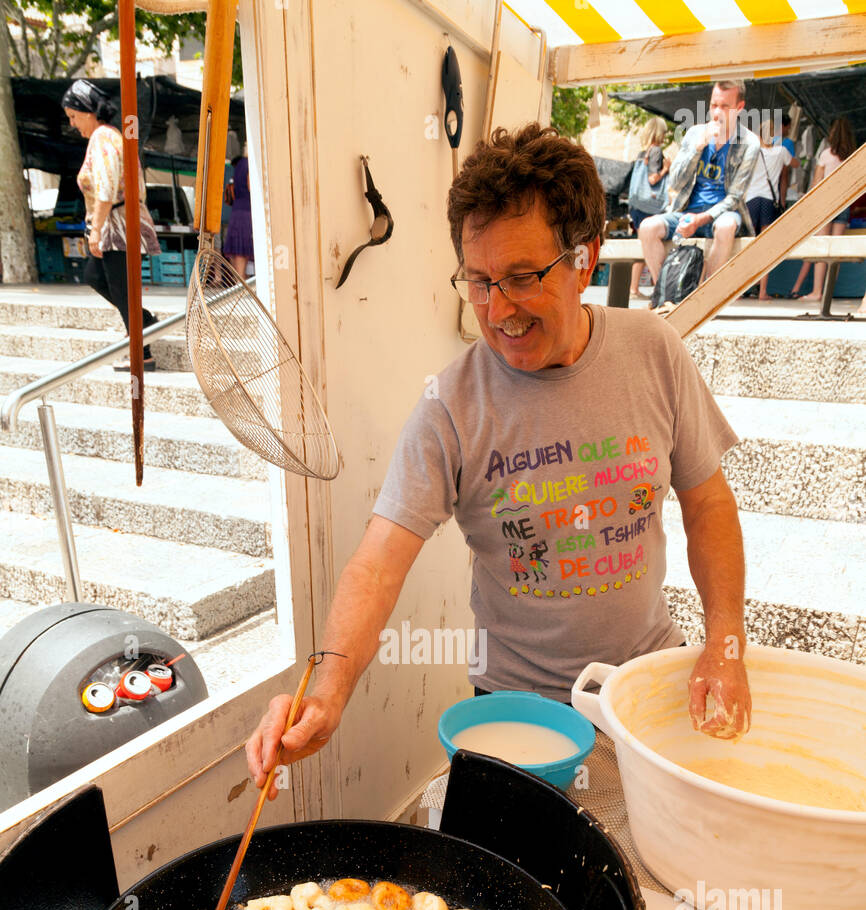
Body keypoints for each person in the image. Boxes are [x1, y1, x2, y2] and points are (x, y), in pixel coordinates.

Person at [247, 125, 751, 794]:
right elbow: (376, 563)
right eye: (478, 281)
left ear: (586, 258)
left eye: (521, 278)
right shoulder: (450, 407)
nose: (498, 310)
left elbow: (708, 503)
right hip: (517, 717)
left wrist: (724, 641)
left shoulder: (653, 351)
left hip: (646, 690)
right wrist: (328, 687)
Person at [62, 78, 161, 372]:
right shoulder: (109, 136)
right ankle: (145, 324)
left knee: (121, 288)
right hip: (120, 221)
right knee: (100, 277)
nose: (72, 124)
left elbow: (105, 188)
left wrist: (96, 229)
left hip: (118, 224)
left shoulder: (103, 138)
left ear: (87, 111)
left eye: (73, 117)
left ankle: (142, 353)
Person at [637, 79, 760, 286]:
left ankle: (706, 297)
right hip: (686, 212)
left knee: (726, 225)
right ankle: (663, 295)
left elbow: (735, 197)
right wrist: (698, 147)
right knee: (647, 227)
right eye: (713, 105)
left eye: (724, 106)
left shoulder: (749, 143)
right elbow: (675, 182)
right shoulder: (695, 133)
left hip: (721, 215)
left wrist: (699, 220)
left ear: (739, 108)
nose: (717, 113)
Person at [790, 118, 857, 302]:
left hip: (826, 204)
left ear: (832, 134)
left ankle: (817, 292)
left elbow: (816, 183)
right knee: (835, 250)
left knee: (822, 249)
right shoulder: (853, 156)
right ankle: (828, 292)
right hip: (844, 203)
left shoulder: (826, 154)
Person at [743, 120, 792, 299]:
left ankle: (739, 290)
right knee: (765, 246)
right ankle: (763, 291)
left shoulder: (753, 151)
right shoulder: (781, 151)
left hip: (751, 199)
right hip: (769, 200)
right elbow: (795, 164)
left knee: (746, 245)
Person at [627, 117, 671, 297]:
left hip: (637, 205)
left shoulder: (642, 153)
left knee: (642, 244)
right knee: (649, 244)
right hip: (649, 206)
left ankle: (634, 287)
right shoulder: (656, 152)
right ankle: (657, 287)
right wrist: (666, 169)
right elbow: (653, 179)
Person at [223, 151, 253, 277]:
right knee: (242, 247)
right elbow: (252, 186)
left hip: (236, 209)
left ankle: (238, 280)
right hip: (246, 208)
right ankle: (241, 281)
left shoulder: (239, 164)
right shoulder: (250, 164)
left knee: (236, 247)